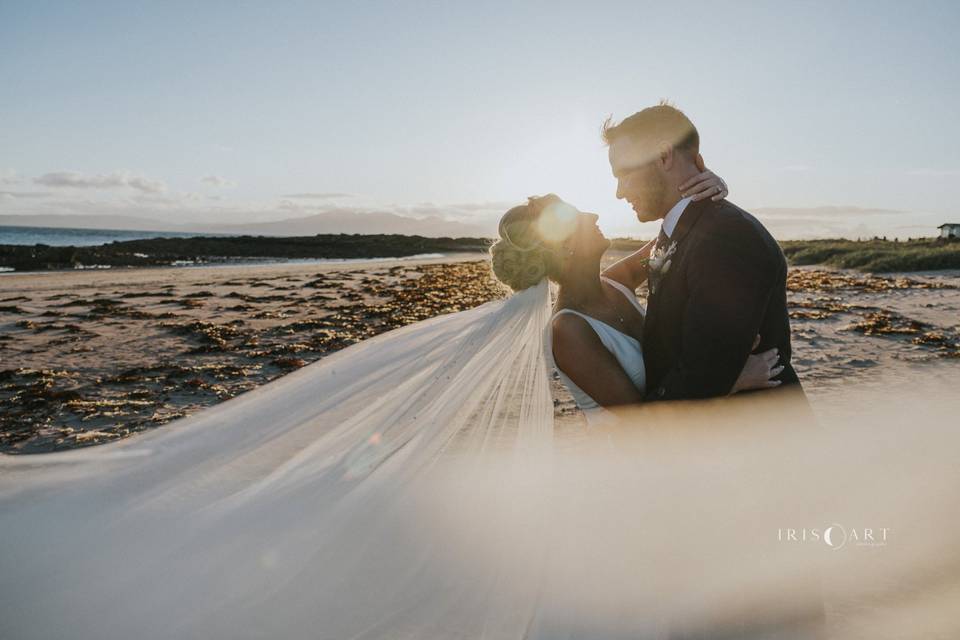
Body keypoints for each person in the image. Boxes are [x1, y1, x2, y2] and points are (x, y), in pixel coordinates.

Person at [490, 191, 783, 425]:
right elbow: (641, 421)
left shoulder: (617, 281)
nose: (593, 214)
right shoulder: (568, 330)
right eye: (578, 218)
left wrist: (706, 190)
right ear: (563, 248)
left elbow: (678, 237)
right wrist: (729, 380)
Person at [603, 102, 803, 401]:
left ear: (663, 155)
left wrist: (638, 427)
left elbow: (701, 379)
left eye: (624, 173)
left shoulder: (726, 237)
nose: (619, 191)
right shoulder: (682, 232)